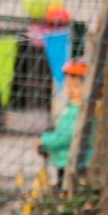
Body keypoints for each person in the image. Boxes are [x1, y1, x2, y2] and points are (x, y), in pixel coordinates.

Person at [39, 58, 90, 188]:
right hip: (63, 159)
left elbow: (66, 136)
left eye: (76, 86)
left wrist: (44, 140)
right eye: (68, 85)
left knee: (68, 188)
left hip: (72, 162)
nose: (70, 90)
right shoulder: (72, 107)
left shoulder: (80, 111)